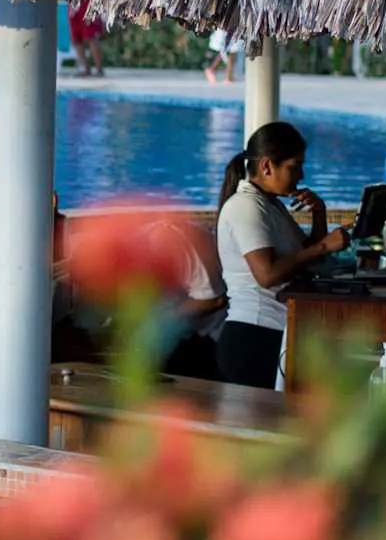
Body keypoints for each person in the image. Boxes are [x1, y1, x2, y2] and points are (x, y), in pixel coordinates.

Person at [215, 121, 350, 388]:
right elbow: (267, 275)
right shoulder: (245, 206)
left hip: (276, 332)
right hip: (253, 337)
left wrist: (319, 214)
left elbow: (307, 259)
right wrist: (324, 246)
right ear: (267, 166)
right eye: (295, 166)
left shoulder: (270, 204)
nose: (301, 175)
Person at [144, 217, 226, 380]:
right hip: (184, 331)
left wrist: (164, 319)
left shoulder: (172, 242)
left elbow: (214, 300)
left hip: (217, 330)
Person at [67, 0, 106, 77]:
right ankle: (86, 68)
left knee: (91, 37)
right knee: (76, 39)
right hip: (73, 6)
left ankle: (99, 69)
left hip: (87, 2)